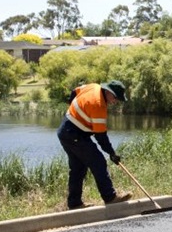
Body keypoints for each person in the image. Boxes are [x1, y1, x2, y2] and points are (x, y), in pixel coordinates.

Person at [57, 80, 133, 209]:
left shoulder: (93, 87)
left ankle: (74, 203)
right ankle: (110, 197)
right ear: (108, 92)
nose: (115, 101)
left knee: (78, 168)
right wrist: (111, 153)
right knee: (98, 161)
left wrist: (74, 111)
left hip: (65, 131)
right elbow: (100, 136)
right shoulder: (98, 106)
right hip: (74, 134)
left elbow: (74, 92)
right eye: (115, 98)